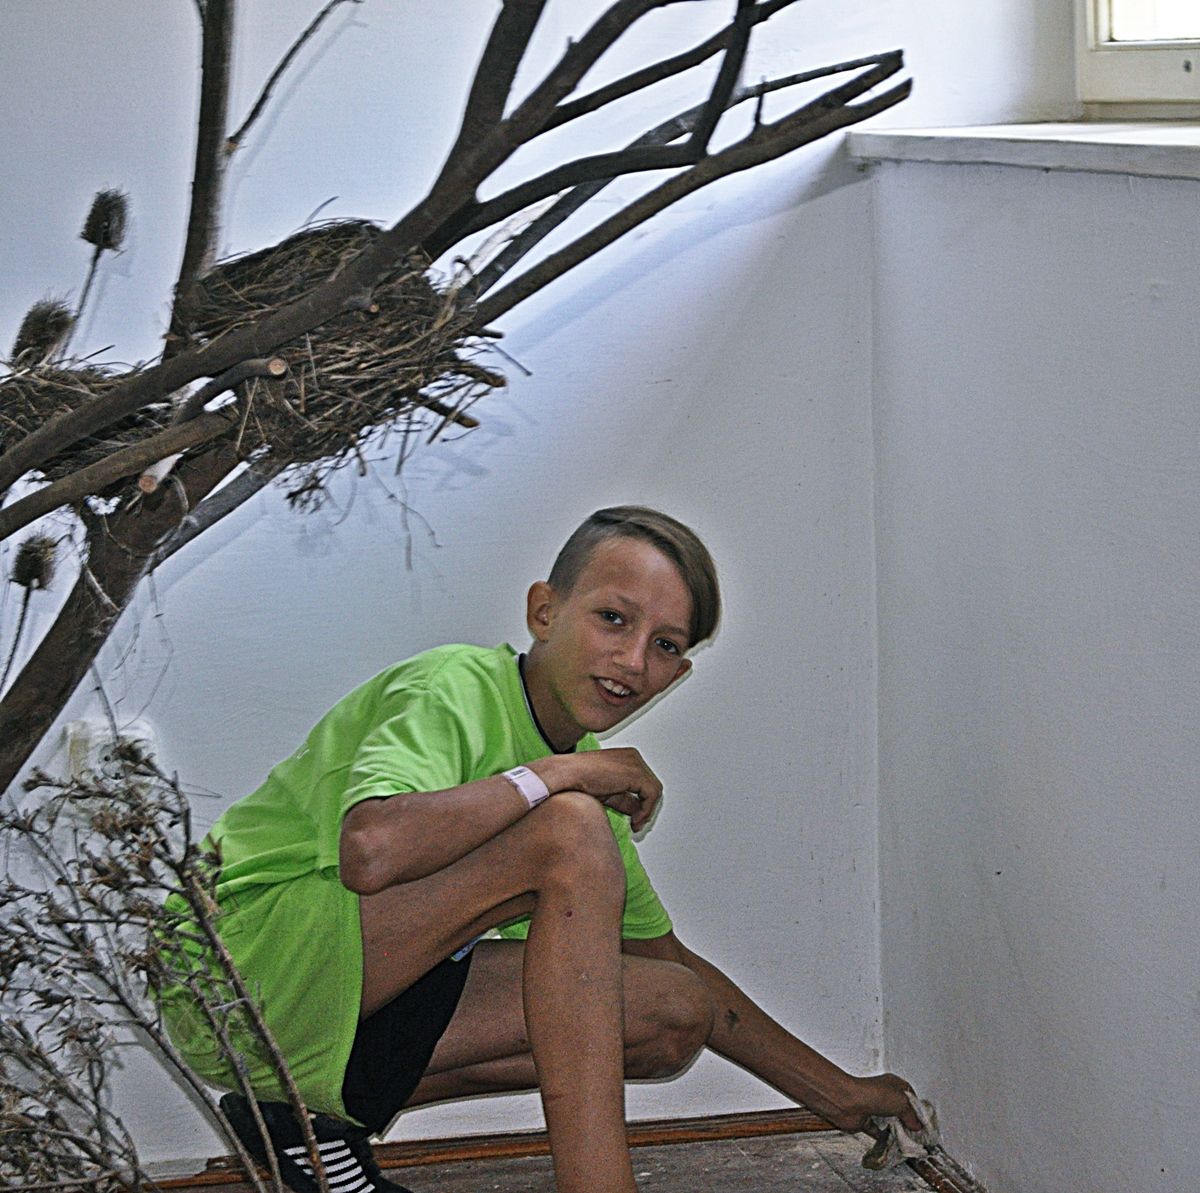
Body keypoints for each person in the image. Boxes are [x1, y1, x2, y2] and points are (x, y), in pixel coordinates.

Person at [162, 506, 921, 1193]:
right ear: (544, 611)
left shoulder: (581, 787)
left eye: (664, 645)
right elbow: (371, 849)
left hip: (315, 1003)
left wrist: (838, 1094)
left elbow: (668, 961)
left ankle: (302, 1125)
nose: (633, 660)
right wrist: (558, 776)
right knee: (569, 827)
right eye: (613, 618)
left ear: (679, 672)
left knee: (673, 1010)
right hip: (229, 974)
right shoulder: (457, 690)